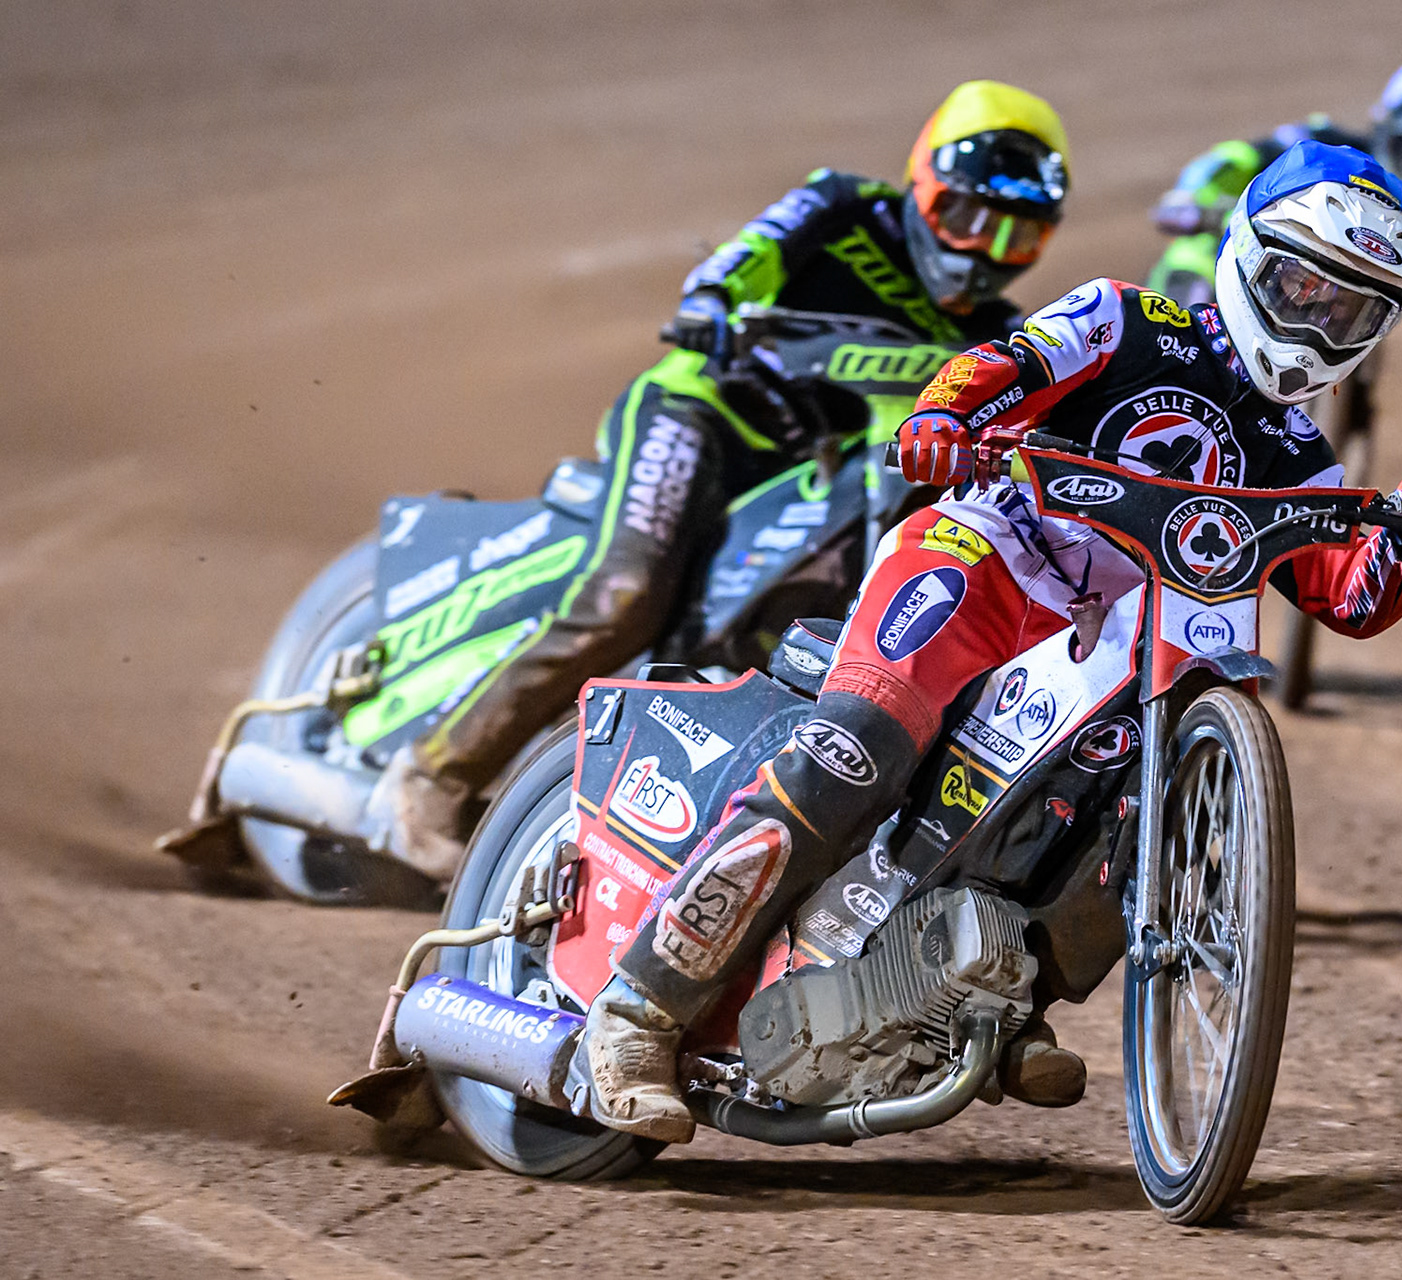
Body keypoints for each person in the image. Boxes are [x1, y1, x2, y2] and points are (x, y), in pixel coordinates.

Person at [582, 141, 1402, 1142]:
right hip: (985, 559)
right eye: (1301, 286)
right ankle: (638, 1010)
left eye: (1349, 309)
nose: (1317, 320)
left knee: (1135, 811)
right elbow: (1004, 364)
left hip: (1111, 639)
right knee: (855, 747)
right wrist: (944, 416)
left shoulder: (1299, 456)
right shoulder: (1129, 318)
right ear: (1245, 255)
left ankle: (990, 1000)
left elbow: (1350, 598)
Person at [365, 81, 1072, 878]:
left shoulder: (994, 336)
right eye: (970, 217)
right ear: (925, 183)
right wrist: (713, 296)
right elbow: (752, 251)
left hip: (817, 479)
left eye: (1016, 236)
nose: (983, 250)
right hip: (704, 412)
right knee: (627, 590)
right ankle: (428, 777)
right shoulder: (845, 207)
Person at [1147, 49, 1402, 322]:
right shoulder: (1316, 147)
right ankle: (1169, 343)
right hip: (1247, 273)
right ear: (1390, 127)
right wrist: (1193, 196)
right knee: (1196, 255)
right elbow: (1235, 159)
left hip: (1326, 330)